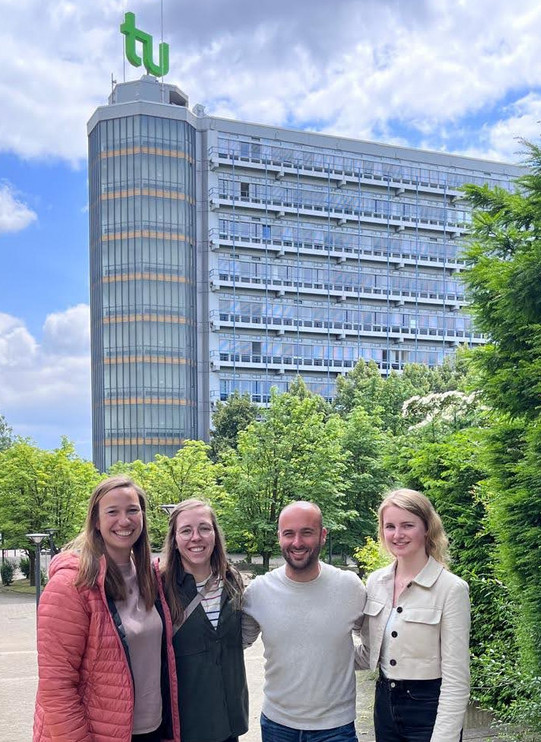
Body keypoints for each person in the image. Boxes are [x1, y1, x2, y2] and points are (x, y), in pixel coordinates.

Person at [33, 476, 180, 742]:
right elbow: (56, 688)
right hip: (98, 734)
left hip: (152, 730)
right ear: (96, 522)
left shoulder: (150, 578)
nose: (124, 521)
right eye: (112, 512)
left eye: (132, 510)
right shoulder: (70, 585)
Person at [242, 501, 366, 742]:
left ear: (322, 535)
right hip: (277, 725)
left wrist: (336, 662)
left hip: (336, 727)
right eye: (289, 533)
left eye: (306, 533)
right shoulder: (259, 591)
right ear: (279, 536)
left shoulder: (350, 587)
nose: (297, 542)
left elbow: (374, 643)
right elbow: (236, 643)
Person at [357, 488, 470, 742]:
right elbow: (367, 652)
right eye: (390, 526)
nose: (397, 535)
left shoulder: (451, 589)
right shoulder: (375, 582)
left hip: (428, 709)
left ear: (427, 528)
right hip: (384, 704)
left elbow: (456, 679)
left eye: (407, 525)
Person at [160, 498, 248, 742]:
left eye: (204, 528)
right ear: (175, 541)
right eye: (186, 530)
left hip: (228, 722)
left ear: (215, 535)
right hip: (184, 726)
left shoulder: (232, 581)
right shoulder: (159, 588)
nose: (196, 537)